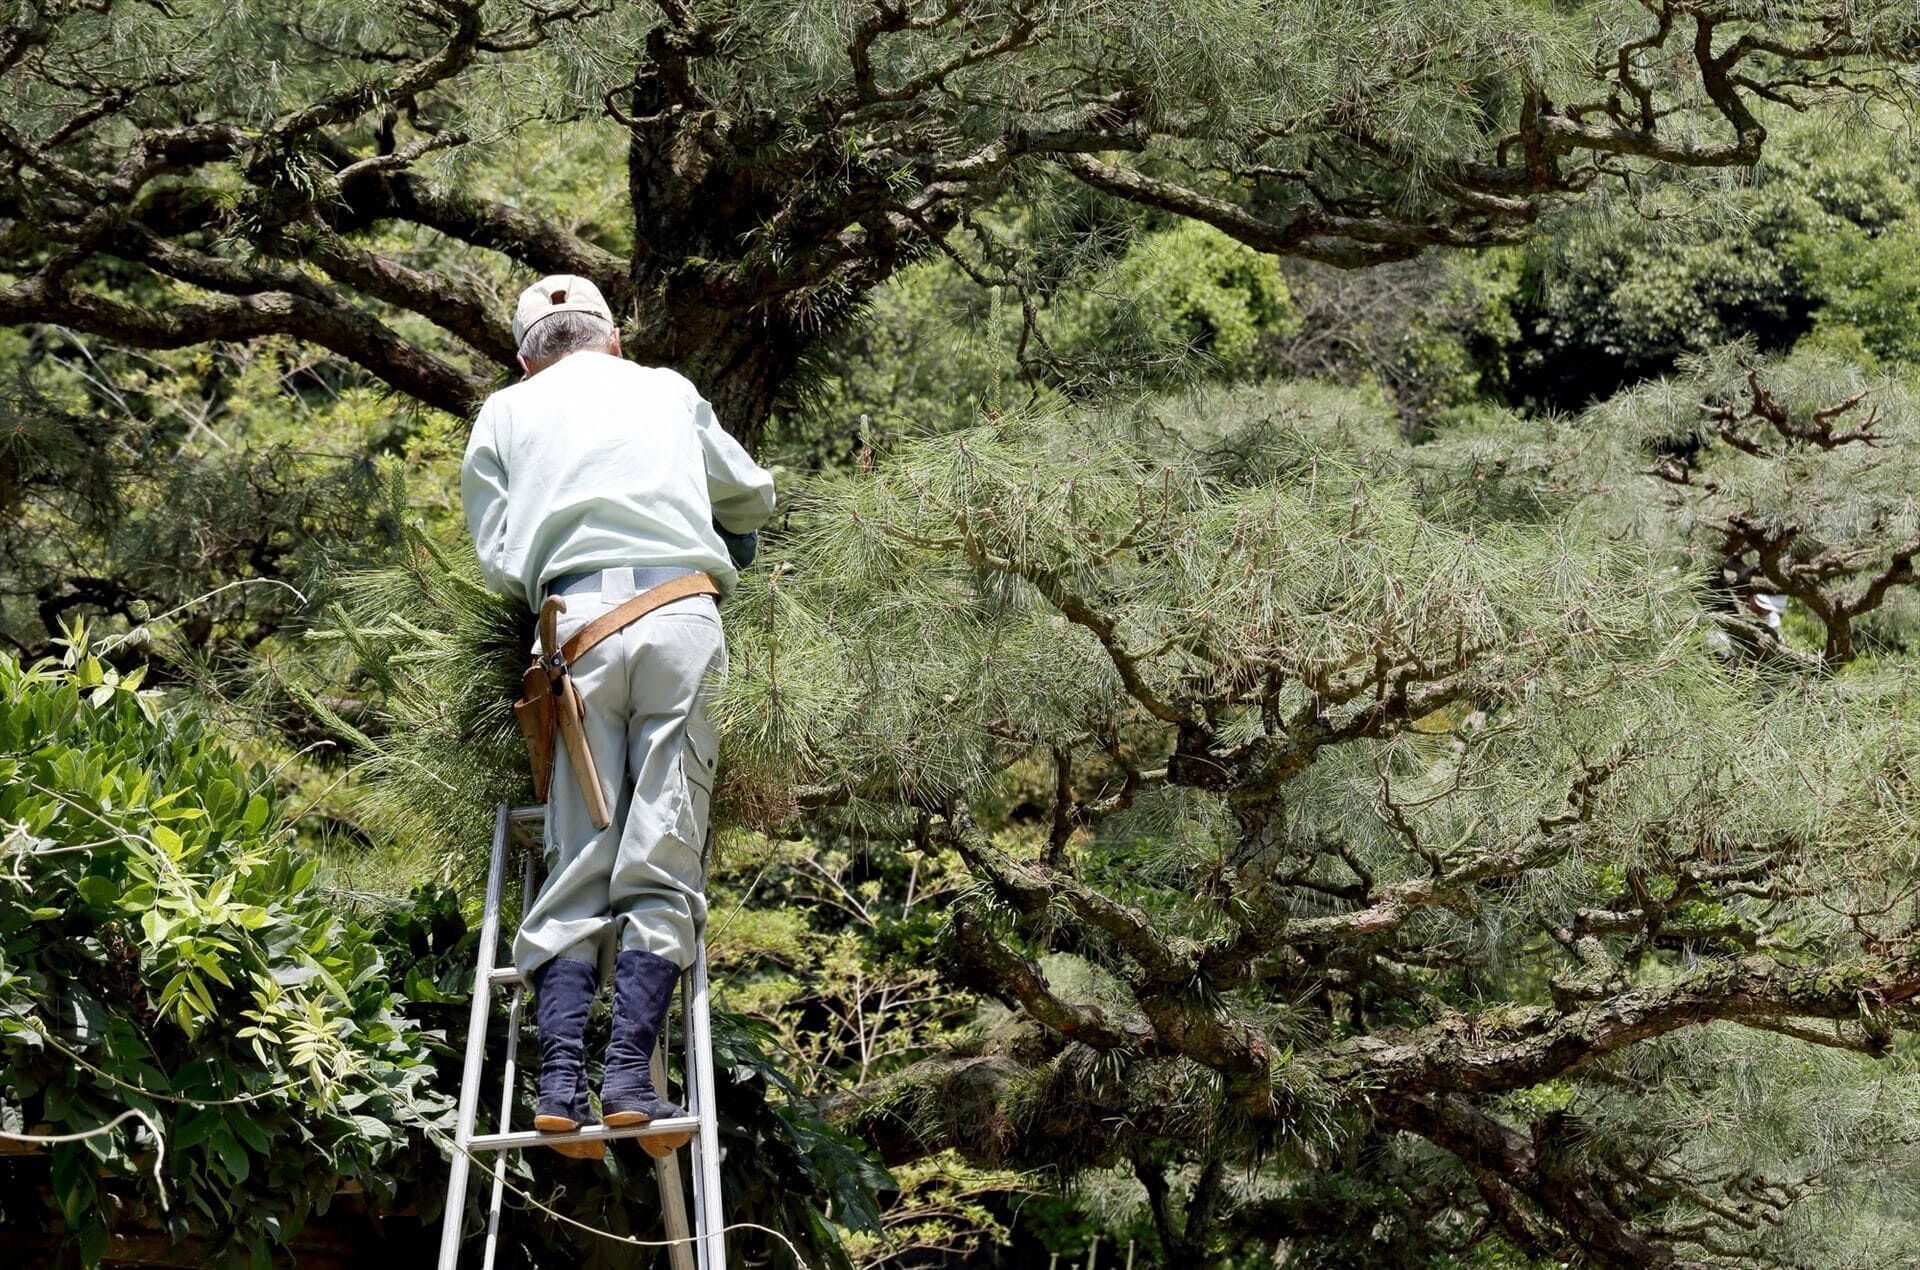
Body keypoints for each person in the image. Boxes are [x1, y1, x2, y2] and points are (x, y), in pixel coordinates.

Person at [461, 275, 775, 1159]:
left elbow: (499, 556)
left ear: (526, 358)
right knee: (663, 843)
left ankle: (558, 1081)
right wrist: (723, 530)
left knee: (579, 849)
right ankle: (632, 1079)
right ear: (614, 340)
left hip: (573, 638)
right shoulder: (668, 390)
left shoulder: (505, 414)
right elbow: (753, 496)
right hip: (680, 618)